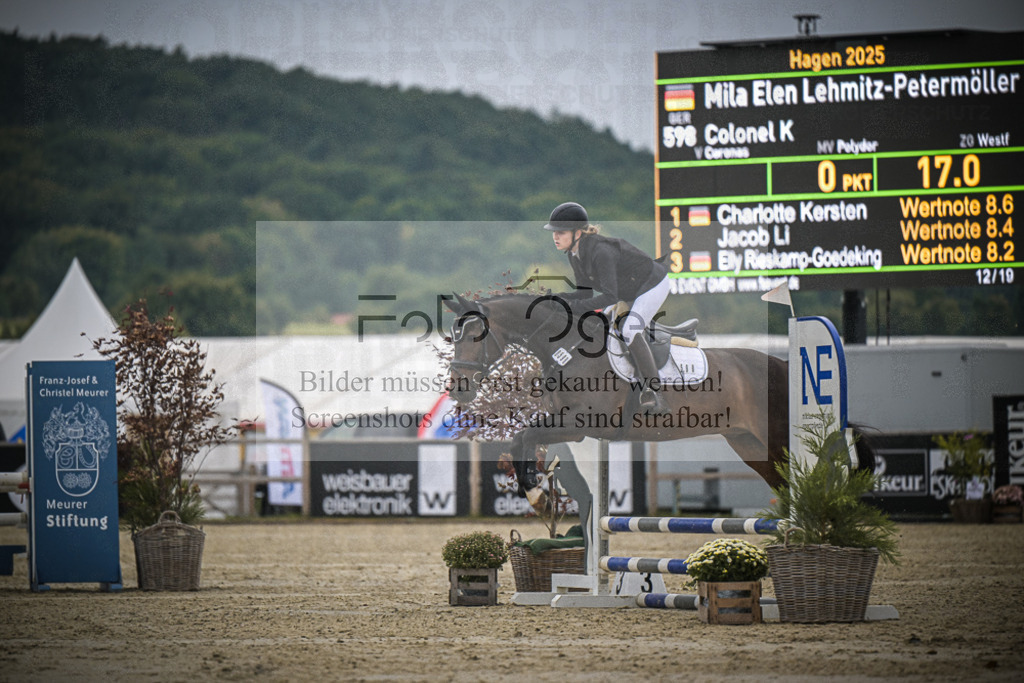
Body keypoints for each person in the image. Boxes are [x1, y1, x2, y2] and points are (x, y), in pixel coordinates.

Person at [543, 201, 670, 412]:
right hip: (629, 290)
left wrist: (571, 307)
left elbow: (610, 297)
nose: (555, 237)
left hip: (652, 284)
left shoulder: (600, 251)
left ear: (577, 233)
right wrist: (555, 299)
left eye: (561, 232)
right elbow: (584, 294)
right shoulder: (575, 255)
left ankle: (654, 392)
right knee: (604, 329)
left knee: (629, 330)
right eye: (554, 232)